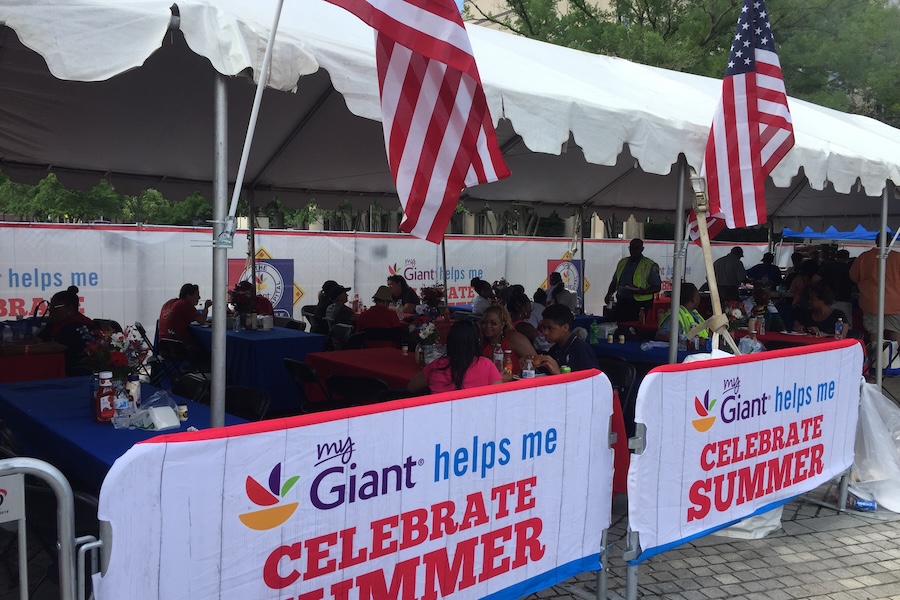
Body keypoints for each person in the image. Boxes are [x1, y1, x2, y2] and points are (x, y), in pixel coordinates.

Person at [407, 320, 505, 394]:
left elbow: (411, 386)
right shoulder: (485, 364)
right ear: (476, 342)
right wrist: (502, 379)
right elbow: (498, 395)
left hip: (440, 417)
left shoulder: (437, 365)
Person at [850, 233, 900, 342]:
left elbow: (853, 276)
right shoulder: (898, 257)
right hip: (895, 302)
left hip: (871, 301)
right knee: (895, 331)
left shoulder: (864, 257)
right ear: (891, 241)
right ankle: (895, 357)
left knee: (875, 333)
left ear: (876, 241)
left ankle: (876, 357)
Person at [38, 286, 94, 376]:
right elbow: (39, 339)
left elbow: (56, 347)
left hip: (77, 376)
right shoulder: (56, 324)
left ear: (69, 309)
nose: (50, 311)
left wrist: (23, 349)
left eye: (54, 307)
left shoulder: (77, 325)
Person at [531, 304, 599, 374]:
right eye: (543, 327)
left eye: (550, 328)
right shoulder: (554, 350)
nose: (545, 332)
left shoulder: (581, 350)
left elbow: (594, 382)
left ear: (565, 327)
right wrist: (529, 367)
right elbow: (544, 373)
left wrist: (559, 374)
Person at [605, 238, 661, 321]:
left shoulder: (650, 265)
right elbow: (615, 281)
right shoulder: (622, 262)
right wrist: (609, 294)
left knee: (634, 329)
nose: (633, 251)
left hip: (640, 303)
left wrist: (643, 292)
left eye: (636, 248)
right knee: (618, 325)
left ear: (642, 249)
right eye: (631, 248)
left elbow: (657, 287)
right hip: (622, 300)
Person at [478, 304, 534, 377]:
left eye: (493, 323)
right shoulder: (481, 342)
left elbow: (535, 362)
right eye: (484, 322)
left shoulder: (514, 338)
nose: (488, 326)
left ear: (502, 325)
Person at [814, 249, 854, 326]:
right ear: (848, 257)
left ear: (836, 256)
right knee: (845, 326)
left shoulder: (828, 266)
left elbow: (815, 279)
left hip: (828, 301)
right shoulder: (850, 269)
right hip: (846, 300)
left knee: (827, 324)